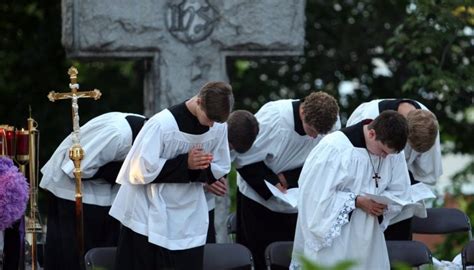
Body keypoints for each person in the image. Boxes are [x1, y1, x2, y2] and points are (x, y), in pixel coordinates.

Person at [109, 81, 234, 270]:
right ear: (199, 102)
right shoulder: (162, 125)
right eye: (210, 118)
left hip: (188, 215)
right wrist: (185, 164)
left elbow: (221, 164)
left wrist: (206, 174)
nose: (211, 126)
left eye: (216, 122)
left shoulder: (217, 126)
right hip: (148, 211)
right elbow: (138, 170)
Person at [232, 91, 340, 269]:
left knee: (289, 260)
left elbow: (324, 160)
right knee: (258, 258)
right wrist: (273, 182)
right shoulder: (273, 119)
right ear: (303, 112)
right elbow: (243, 159)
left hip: (295, 200)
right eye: (311, 130)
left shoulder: (330, 123)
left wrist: (289, 179)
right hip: (257, 200)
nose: (313, 137)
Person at [290, 111, 411, 270]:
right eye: (382, 151)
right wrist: (355, 201)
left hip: (370, 235)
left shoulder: (392, 152)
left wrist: (385, 204)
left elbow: (400, 190)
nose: (384, 158)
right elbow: (313, 196)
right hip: (335, 238)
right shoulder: (334, 147)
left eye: (389, 154)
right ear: (372, 133)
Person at [40, 112, 147, 270]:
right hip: (73, 195)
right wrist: (124, 171)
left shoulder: (142, 130)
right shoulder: (117, 134)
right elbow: (75, 169)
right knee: (72, 259)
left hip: (105, 199)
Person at [346, 98, 440, 240]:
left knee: (400, 245)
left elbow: (427, 172)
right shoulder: (367, 115)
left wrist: (402, 187)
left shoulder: (429, 123)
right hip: (366, 189)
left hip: (402, 194)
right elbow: (354, 159)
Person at [205, 110, 259, 243]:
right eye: (229, 148)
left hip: (207, 209)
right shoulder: (203, 135)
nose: (228, 153)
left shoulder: (230, 146)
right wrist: (203, 181)